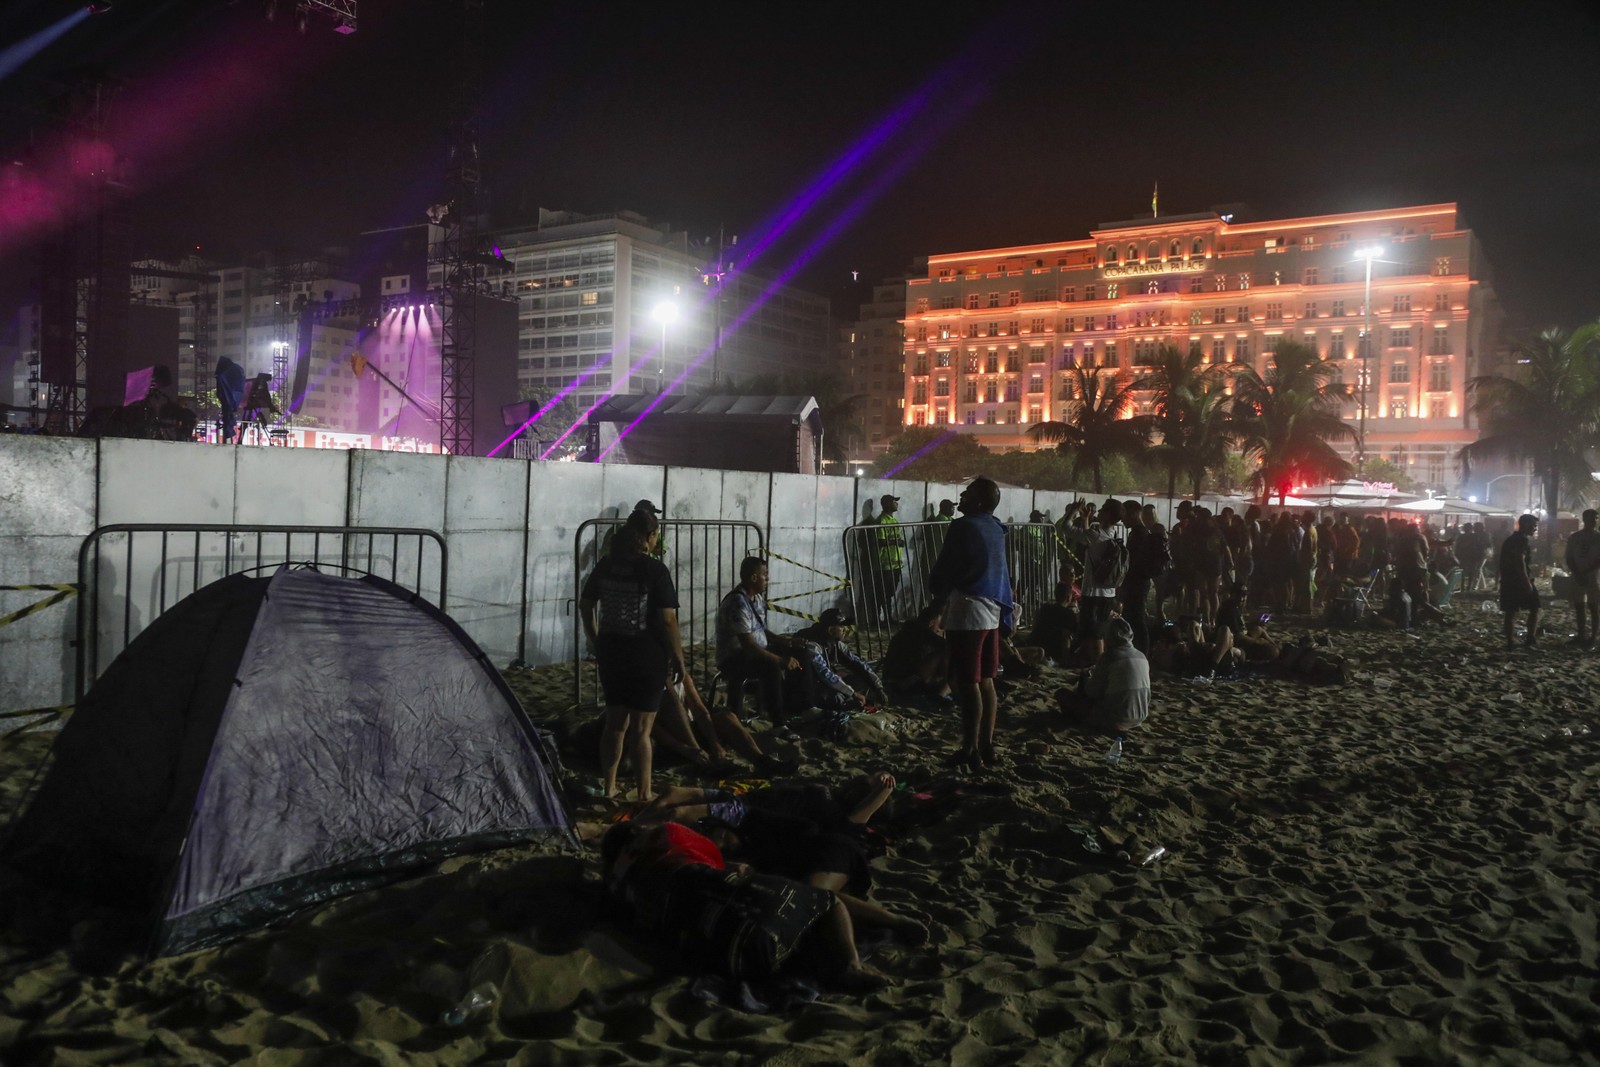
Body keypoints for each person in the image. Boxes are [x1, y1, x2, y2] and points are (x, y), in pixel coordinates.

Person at [600, 821, 898, 992]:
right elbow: (713, 861)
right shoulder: (665, 834)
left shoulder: (617, 887)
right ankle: (854, 964)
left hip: (728, 962)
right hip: (751, 933)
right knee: (826, 902)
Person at [578, 510, 687, 802]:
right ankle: (643, 791)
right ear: (651, 537)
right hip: (646, 655)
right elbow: (668, 621)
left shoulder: (606, 566)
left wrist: (596, 638)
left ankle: (609, 786)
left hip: (612, 652)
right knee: (641, 731)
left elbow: (585, 605)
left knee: (615, 725)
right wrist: (678, 657)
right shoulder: (655, 570)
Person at [927, 476, 1013, 771]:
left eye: (967, 493)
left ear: (977, 501)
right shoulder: (995, 527)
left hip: (967, 609)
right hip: (992, 609)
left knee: (966, 683)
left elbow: (947, 569)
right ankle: (987, 745)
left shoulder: (963, 526)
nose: (960, 496)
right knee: (987, 681)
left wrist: (935, 604)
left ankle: (969, 748)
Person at [716, 556, 802, 719]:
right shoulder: (738, 603)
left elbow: (762, 631)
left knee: (799, 651)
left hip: (753, 651)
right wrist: (779, 659)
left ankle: (803, 706)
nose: (768, 579)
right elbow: (748, 644)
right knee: (772, 664)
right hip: (734, 658)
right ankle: (778, 721)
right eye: (765, 574)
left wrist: (786, 641)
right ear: (754, 578)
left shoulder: (756, 599)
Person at [1055, 616, 1150, 734]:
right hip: (1140, 716)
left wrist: (1086, 678)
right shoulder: (1142, 656)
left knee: (1061, 694)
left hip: (1115, 719)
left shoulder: (1110, 656)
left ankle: (1078, 722)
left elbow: (1092, 692)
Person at [791, 608, 887, 711]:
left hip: (823, 685)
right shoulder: (811, 644)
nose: (845, 629)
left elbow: (858, 663)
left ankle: (853, 700)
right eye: (842, 626)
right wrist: (852, 693)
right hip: (808, 689)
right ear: (830, 629)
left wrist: (878, 687)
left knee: (862, 681)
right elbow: (824, 674)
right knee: (836, 698)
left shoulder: (834, 643)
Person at [1498, 513, 1541, 650]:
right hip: (1519, 580)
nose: (1535, 529)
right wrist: (1526, 581)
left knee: (1510, 612)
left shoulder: (1511, 539)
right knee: (1534, 608)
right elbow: (1519, 560)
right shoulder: (1522, 540)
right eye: (1534, 526)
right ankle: (1530, 638)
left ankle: (1511, 642)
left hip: (1508, 579)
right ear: (1526, 525)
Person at [866, 494, 905, 626]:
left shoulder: (893, 520)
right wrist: (896, 541)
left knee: (888, 594)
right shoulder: (882, 520)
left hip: (894, 564)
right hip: (883, 565)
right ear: (887, 504)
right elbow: (881, 541)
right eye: (894, 502)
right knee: (880, 593)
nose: (897, 504)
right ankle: (877, 619)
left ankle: (888, 618)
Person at [1565, 509, 1600, 647]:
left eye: (1596, 518)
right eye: (1592, 518)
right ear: (1584, 519)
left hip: (1594, 576)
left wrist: (1587, 571)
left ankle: (1593, 637)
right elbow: (1569, 558)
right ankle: (1581, 635)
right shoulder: (1575, 537)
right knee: (1579, 606)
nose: (1594, 521)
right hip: (1578, 575)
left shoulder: (1598, 537)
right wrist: (1578, 573)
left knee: (1594, 607)